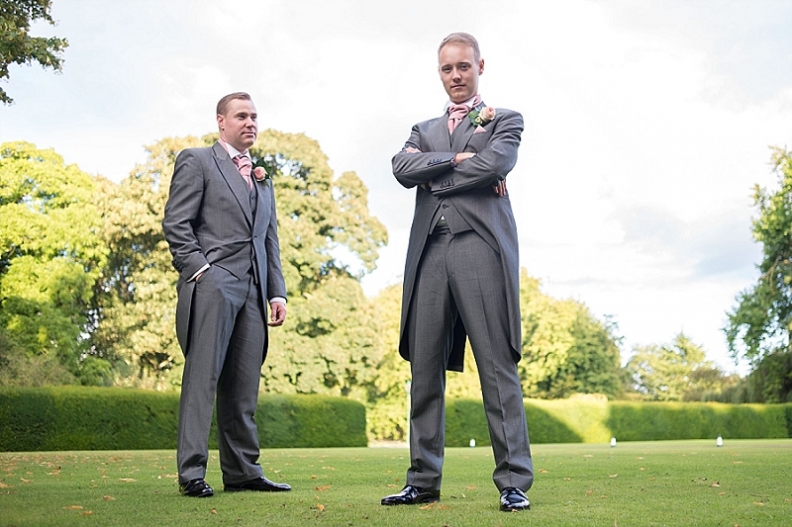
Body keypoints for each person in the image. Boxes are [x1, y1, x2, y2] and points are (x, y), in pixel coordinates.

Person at [381, 33, 533, 512]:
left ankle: (513, 483)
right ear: (439, 72)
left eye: (463, 67)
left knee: (495, 367)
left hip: (478, 250)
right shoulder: (422, 128)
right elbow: (402, 167)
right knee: (423, 371)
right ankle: (422, 480)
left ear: (480, 66)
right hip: (429, 254)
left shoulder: (504, 119)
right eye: (447, 69)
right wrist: (454, 159)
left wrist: (440, 175)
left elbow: (496, 163)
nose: (456, 76)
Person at [163, 92, 290, 498]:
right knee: (203, 379)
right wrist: (200, 270)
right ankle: (192, 473)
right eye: (241, 116)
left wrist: (277, 292)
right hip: (213, 283)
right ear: (221, 121)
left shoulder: (262, 179)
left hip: (254, 293)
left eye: (254, 116)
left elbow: (269, 240)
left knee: (243, 385)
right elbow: (176, 223)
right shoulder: (197, 160)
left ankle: (243, 472)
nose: (250, 122)